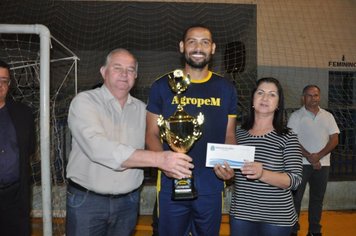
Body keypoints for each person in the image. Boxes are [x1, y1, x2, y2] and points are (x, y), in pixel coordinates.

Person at [65, 48, 194, 236]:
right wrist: (159, 160)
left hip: (128, 203)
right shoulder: (84, 102)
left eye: (131, 70)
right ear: (104, 72)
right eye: (118, 68)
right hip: (87, 202)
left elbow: (161, 142)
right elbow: (97, 148)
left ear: (136, 76)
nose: (124, 74)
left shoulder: (143, 110)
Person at [145, 25, 238, 236]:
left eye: (205, 42)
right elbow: (151, 133)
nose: (198, 47)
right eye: (192, 41)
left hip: (212, 183)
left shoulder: (226, 88)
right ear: (182, 46)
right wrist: (164, 162)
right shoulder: (162, 85)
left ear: (213, 48)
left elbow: (229, 134)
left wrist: (229, 166)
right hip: (171, 183)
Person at [215, 77, 303, 236]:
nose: (265, 98)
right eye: (260, 92)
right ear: (253, 100)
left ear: (278, 104)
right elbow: (232, 174)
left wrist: (263, 174)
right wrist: (227, 175)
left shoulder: (288, 137)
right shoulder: (236, 135)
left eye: (272, 94)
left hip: (277, 218)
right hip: (241, 215)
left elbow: (295, 180)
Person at [288, 85, 339, 236]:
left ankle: (314, 231)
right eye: (309, 95)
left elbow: (334, 139)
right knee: (295, 199)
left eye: (316, 95)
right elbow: (292, 140)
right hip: (301, 164)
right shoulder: (296, 116)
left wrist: (319, 156)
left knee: (317, 200)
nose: (313, 98)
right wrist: (310, 157)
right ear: (303, 97)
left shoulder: (328, 116)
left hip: (323, 165)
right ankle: (293, 230)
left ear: (319, 96)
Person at [0, 60, 35, 236]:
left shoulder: (24, 113)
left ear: (9, 84)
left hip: (14, 196)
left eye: (3, 80)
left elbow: (29, 149)